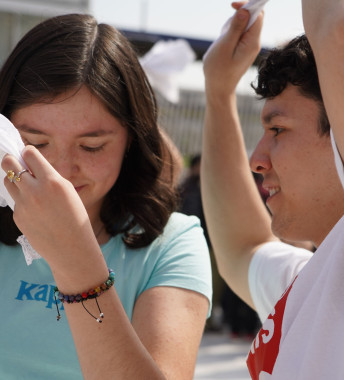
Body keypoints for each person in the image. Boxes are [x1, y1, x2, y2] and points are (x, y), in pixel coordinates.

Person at [0, 13, 212, 380]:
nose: (62, 171)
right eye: (34, 144)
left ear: (132, 140)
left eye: (92, 146)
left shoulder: (171, 243)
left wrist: (76, 261)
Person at [202, 1, 344, 379]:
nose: (257, 159)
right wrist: (218, 91)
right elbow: (241, 248)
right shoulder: (318, 283)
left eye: (278, 130)